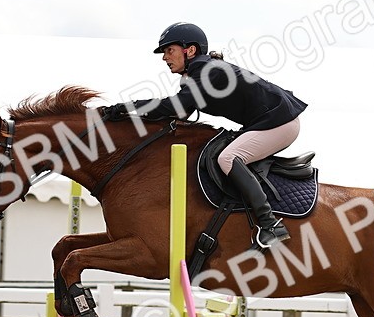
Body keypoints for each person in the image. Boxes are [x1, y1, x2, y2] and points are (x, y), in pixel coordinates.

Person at [103, 22, 306, 249]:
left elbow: (175, 106)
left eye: (169, 50)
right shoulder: (197, 75)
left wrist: (129, 106)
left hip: (279, 122)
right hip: (269, 121)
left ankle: (270, 223)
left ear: (190, 50)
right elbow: (178, 115)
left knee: (227, 158)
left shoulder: (207, 71)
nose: (164, 58)